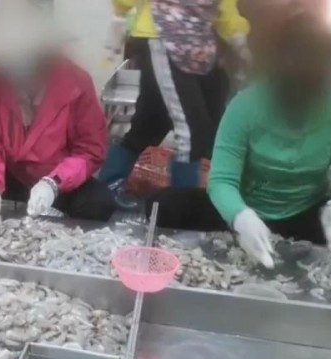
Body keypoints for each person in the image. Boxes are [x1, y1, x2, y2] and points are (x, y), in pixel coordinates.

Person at [145, 11, 331, 268]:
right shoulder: (247, 104)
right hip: (248, 211)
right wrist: (240, 216)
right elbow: (222, 180)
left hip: (310, 215)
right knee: (161, 204)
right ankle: (254, 233)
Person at [0, 0, 116, 223]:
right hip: (12, 176)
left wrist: (53, 183)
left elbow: (91, 150)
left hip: (56, 184)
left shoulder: (77, 83)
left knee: (99, 202)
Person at [98, 0, 252, 210]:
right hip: (162, 38)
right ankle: (183, 206)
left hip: (199, 44)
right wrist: (119, 15)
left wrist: (238, 37)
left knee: (150, 124)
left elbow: (224, 5)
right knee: (191, 132)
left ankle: (107, 186)